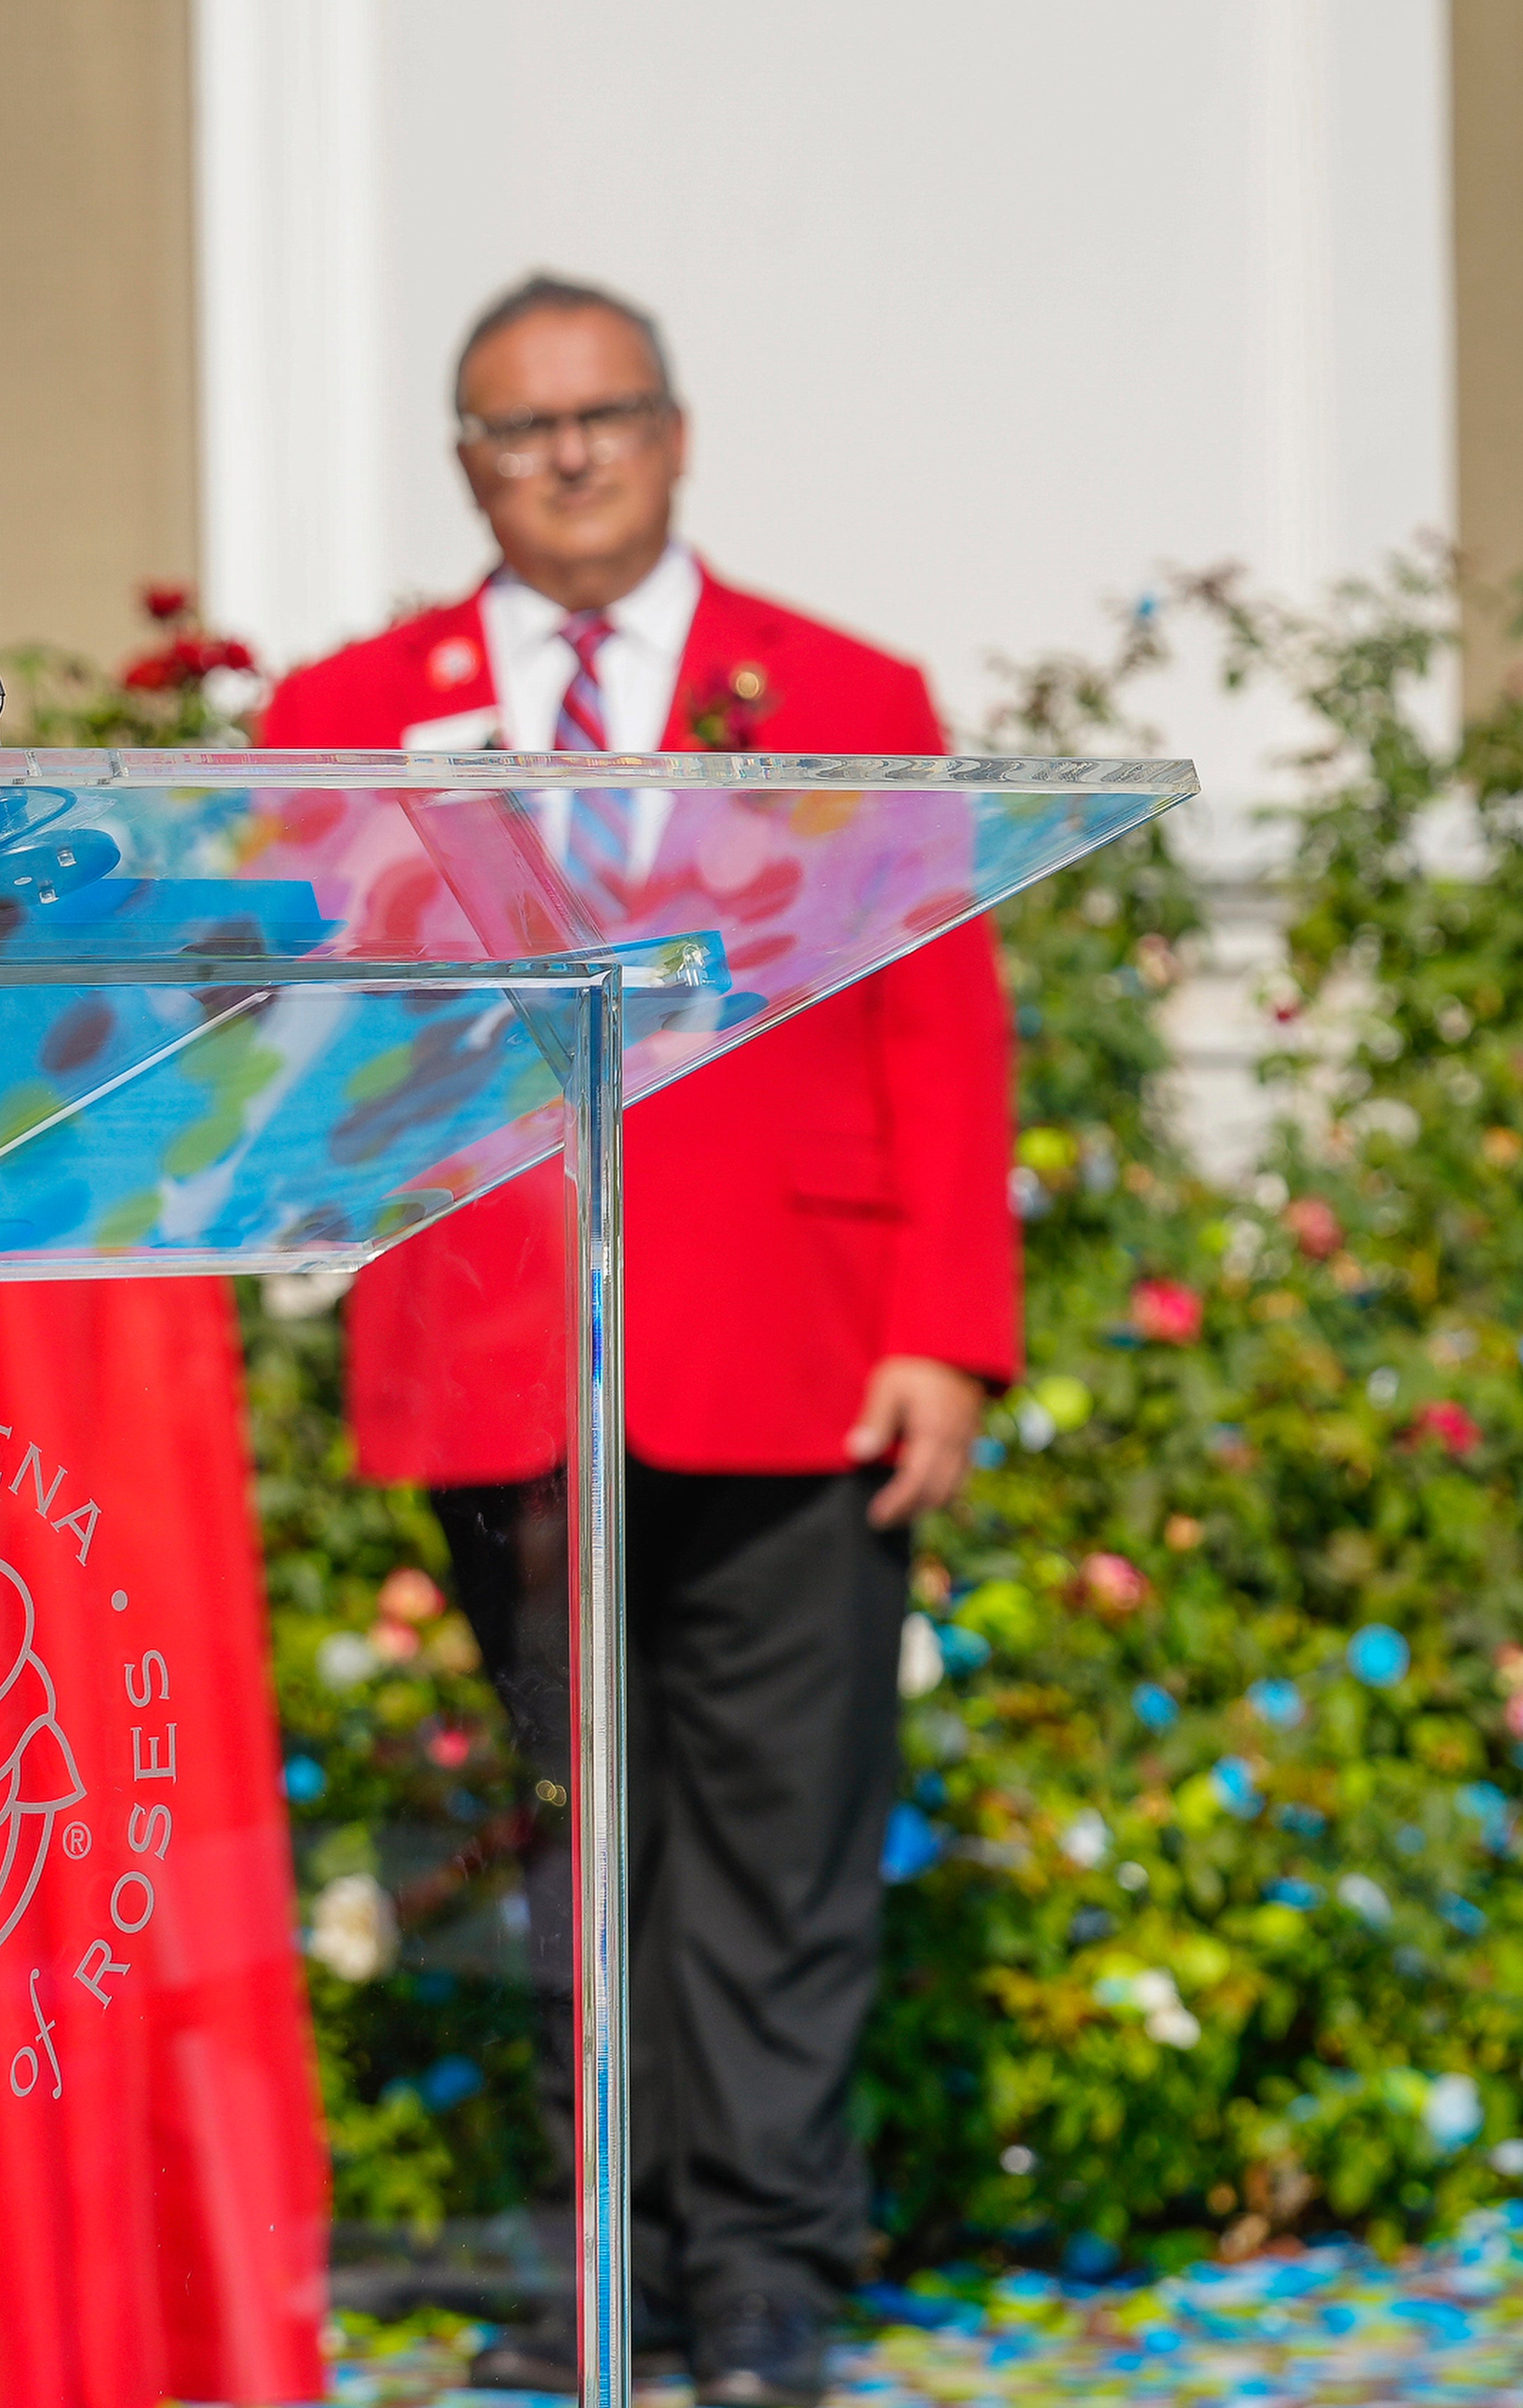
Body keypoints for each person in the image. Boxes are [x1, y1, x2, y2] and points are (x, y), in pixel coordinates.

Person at [258, 275, 1020, 2408]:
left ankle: (764, 2284)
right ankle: (630, 2258)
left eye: (606, 416)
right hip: (500, 1359)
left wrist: (949, 1325)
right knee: (595, 1843)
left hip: (800, 1347)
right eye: (521, 427)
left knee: (781, 1846)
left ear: (677, 437)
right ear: (465, 463)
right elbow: (283, 1026)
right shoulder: (349, 715)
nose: (570, 455)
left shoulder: (844, 690)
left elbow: (940, 1020)